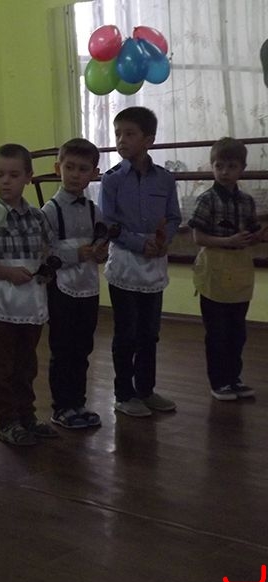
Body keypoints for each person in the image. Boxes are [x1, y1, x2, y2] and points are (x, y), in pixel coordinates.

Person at [0, 143, 57, 446]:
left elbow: (47, 252)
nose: (5, 181)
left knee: (26, 363)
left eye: (13, 175)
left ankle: (27, 416)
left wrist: (46, 270)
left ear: (28, 178)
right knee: (4, 365)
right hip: (4, 302)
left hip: (31, 299)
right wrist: (8, 273)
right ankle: (7, 421)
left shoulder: (38, 217)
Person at [98, 106, 182, 418]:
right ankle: (124, 394)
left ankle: (146, 390)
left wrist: (162, 240)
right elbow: (108, 224)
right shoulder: (111, 180)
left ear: (149, 140)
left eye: (129, 134)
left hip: (154, 262)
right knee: (127, 333)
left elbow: (173, 217)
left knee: (149, 333)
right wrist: (138, 243)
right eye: (118, 134)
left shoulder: (165, 179)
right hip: (125, 262)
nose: (121, 140)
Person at [187, 137, 267, 401]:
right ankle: (219, 382)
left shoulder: (247, 201)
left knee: (237, 331)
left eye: (231, 166)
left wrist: (258, 237)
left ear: (242, 168)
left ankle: (234, 378)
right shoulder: (206, 200)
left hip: (240, 270)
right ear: (212, 166)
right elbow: (198, 237)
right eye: (219, 166)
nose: (224, 172)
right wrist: (228, 241)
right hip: (214, 269)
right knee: (217, 332)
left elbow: (252, 234)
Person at [41, 138, 106, 429]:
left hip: (88, 287)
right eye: (70, 167)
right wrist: (74, 254)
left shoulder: (94, 209)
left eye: (83, 169)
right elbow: (43, 252)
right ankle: (61, 406)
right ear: (58, 168)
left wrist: (101, 252)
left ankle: (78, 402)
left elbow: (101, 241)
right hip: (61, 287)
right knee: (63, 348)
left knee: (83, 347)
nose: (75, 174)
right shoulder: (50, 211)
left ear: (94, 173)